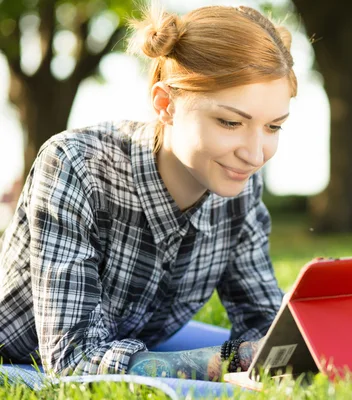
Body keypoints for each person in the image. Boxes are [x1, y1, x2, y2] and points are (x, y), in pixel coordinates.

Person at [0, 3, 296, 382]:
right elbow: (72, 360)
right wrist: (229, 360)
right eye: (230, 122)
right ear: (165, 104)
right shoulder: (76, 165)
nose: (255, 155)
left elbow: (263, 326)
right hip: (19, 358)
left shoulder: (238, 185)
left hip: (128, 342)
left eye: (273, 127)